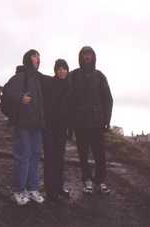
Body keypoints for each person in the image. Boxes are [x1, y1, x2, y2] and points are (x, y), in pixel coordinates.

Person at [69, 46, 113, 194]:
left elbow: (108, 99)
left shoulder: (100, 76)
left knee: (100, 154)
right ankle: (87, 180)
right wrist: (70, 121)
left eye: (89, 54)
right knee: (83, 153)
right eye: (84, 55)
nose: (87, 57)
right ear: (80, 57)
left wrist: (107, 119)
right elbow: (67, 97)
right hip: (80, 123)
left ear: (93, 57)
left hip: (97, 123)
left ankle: (100, 181)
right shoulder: (73, 75)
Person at [6, 49, 45, 206]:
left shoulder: (37, 78)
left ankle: (32, 188)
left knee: (35, 156)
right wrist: (20, 97)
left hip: (37, 125)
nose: (38, 59)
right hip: (23, 124)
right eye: (35, 56)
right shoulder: (20, 76)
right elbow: (7, 92)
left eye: (39, 57)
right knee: (23, 156)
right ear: (28, 58)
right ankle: (18, 190)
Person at [42, 59, 71, 201]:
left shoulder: (70, 86)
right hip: (49, 127)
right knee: (50, 158)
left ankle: (59, 187)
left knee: (60, 158)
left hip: (62, 127)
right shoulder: (49, 83)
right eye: (59, 69)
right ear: (55, 70)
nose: (62, 71)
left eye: (64, 68)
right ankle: (50, 189)